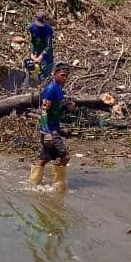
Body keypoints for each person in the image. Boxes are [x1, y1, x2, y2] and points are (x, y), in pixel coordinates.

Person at [30, 62, 75, 191]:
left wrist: (67, 107)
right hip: (50, 130)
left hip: (54, 128)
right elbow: (44, 111)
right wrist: (46, 132)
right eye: (62, 75)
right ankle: (58, 187)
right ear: (55, 74)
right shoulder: (50, 89)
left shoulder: (59, 89)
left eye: (66, 76)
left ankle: (33, 184)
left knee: (44, 158)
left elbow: (56, 109)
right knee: (65, 156)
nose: (64, 78)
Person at [29, 12, 54, 81]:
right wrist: (32, 53)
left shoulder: (48, 29)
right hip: (37, 48)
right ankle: (34, 80)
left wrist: (41, 56)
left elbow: (48, 46)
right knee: (33, 68)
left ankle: (43, 82)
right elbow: (32, 41)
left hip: (46, 51)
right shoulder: (32, 27)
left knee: (46, 68)